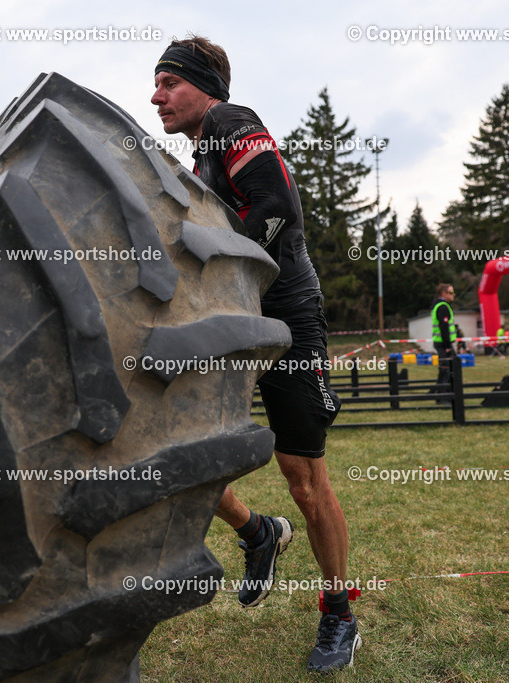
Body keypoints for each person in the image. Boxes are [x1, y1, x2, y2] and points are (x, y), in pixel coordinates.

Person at [152, 36, 357, 674]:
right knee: (183, 443)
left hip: (286, 315)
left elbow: (276, 210)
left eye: (169, 83)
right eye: (156, 84)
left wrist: (214, 265)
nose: (156, 97)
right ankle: (257, 532)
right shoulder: (199, 156)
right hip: (233, 317)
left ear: (205, 87)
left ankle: (339, 614)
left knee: (304, 479)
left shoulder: (230, 121)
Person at [431, 284, 456, 401]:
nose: (453, 295)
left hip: (441, 343)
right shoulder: (442, 307)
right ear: (444, 294)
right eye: (451, 292)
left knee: (446, 368)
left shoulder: (440, 306)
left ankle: (438, 393)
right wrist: (448, 346)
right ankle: (443, 396)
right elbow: (444, 328)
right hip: (443, 344)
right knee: (447, 369)